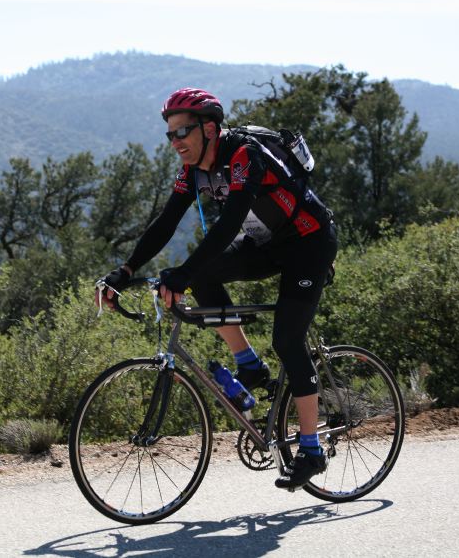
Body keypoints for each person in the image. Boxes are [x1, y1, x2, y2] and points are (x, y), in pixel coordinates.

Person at [99, 87, 338, 488]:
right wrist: (124, 271)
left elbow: (229, 223)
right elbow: (165, 221)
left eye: (183, 133)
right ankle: (250, 367)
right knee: (203, 275)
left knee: (287, 338)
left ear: (209, 128)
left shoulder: (245, 155)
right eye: (170, 135)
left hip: (308, 243)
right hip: (267, 244)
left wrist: (184, 274)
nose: (175, 143)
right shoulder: (194, 169)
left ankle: (311, 449)